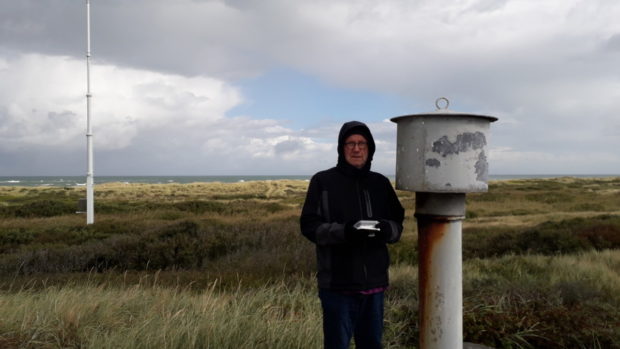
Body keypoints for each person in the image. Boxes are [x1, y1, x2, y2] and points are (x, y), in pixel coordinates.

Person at [300, 121, 405, 349]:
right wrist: (345, 231)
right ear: (341, 147)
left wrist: (387, 229)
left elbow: (398, 224)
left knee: (372, 345)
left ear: (370, 148)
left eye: (362, 143)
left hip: (374, 286)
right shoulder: (323, 181)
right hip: (337, 286)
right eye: (350, 143)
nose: (356, 149)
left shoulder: (380, 183)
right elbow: (309, 226)